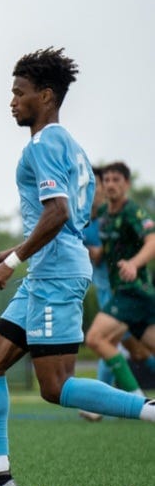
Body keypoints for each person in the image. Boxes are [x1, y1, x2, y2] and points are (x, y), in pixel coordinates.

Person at [0, 47, 155, 486]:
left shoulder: (44, 144)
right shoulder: (70, 145)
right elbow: (64, 221)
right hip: (49, 271)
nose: (12, 101)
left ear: (45, 96)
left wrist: (13, 261)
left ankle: (149, 409)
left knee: (55, 385)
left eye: (19, 92)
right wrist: (14, 251)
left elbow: (58, 213)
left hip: (56, 275)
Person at [79, 164, 155, 420]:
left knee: (96, 338)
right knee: (142, 351)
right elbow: (107, 242)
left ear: (126, 184)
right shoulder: (103, 214)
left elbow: (153, 240)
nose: (110, 184)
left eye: (116, 180)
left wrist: (134, 263)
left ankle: (137, 402)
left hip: (132, 291)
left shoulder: (133, 211)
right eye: (107, 180)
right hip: (137, 297)